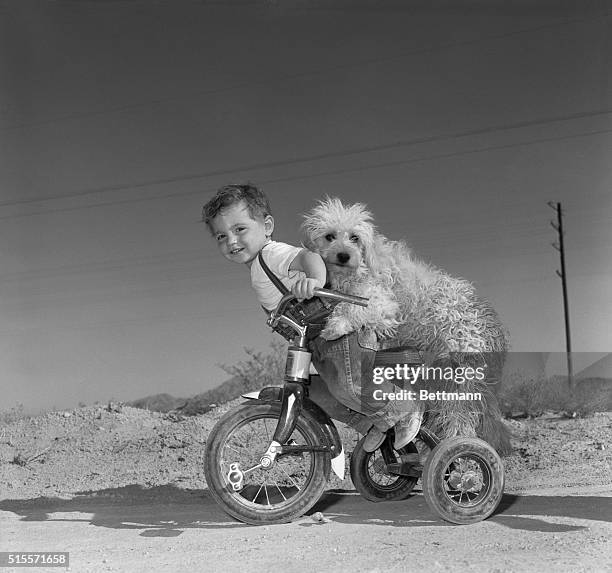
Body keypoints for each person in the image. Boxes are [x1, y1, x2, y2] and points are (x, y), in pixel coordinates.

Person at [202, 183, 417, 451]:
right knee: (314, 394)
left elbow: (308, 257)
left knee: (347, 385)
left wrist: (313, 280)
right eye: (221, 236)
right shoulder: (258, 268)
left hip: (341, 335)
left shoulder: (271, 254)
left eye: (240, 229)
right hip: (314, 342)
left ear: (267, 226)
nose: (231, 241)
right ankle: (373, 424)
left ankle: (403, 408)